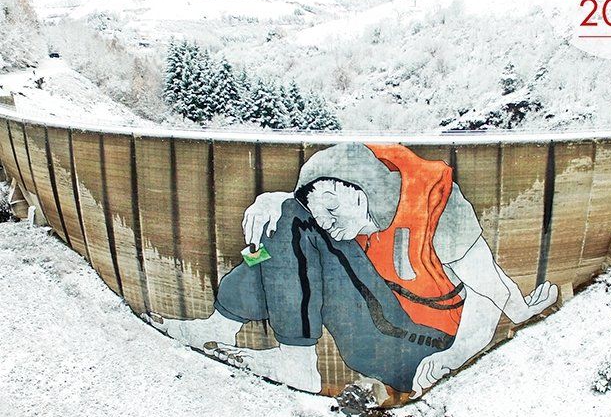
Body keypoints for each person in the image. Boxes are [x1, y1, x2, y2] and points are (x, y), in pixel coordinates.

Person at [144, 143, 558, 396]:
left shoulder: (439, 209)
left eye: (329, 208)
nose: (326, 223)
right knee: (282, 227)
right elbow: (294, 240)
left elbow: (488, 291)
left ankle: (296, 366)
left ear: (359, 191)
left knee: (290, 220)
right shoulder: (348, 221)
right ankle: (221, 327)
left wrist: (456, 356)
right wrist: (271, 208)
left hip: (419, 346)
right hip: (374, 325)